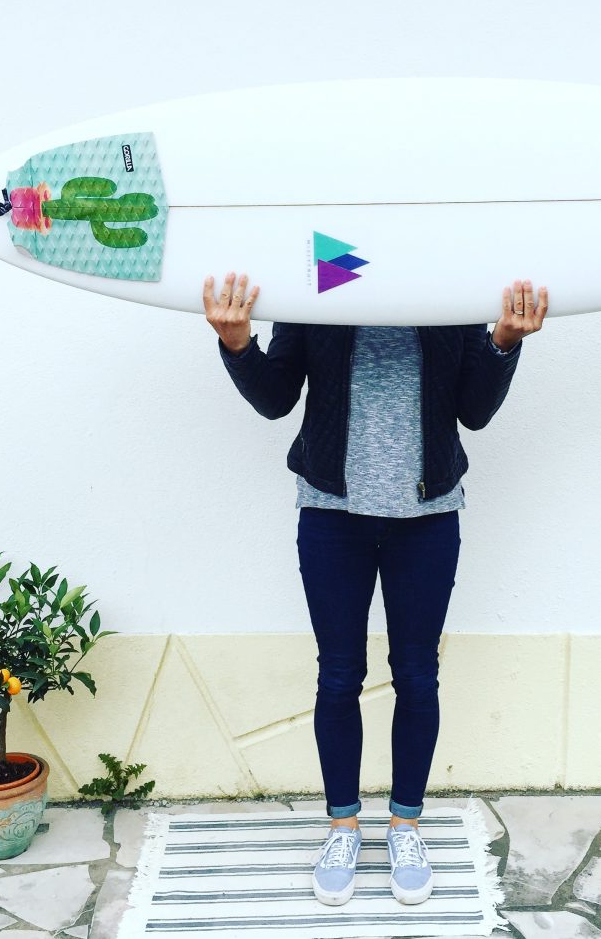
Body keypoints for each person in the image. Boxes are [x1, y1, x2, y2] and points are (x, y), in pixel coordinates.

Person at [203, 270, 548, 906]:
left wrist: (504, 341)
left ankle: (405, 825)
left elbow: (474, 412)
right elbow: (276, 398)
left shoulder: (443, 284)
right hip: (332, 513)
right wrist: (238, 345)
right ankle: (343, 827)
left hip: (428, 517)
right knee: (338, 676)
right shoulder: (320, 281)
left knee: (417, 675)